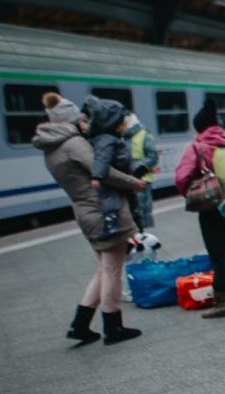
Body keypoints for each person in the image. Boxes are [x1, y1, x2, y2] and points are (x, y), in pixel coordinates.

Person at [33, 93, 144, 345]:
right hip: (103, 211)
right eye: (80, 119)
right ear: (69, 120)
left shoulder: (51, 146)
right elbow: (103, 170)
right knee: (113, 270)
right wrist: (134, 182)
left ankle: (80, 324)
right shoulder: (74, 144)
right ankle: (113, 327)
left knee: (104, 269)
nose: (85, 123)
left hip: (84, 211)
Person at [174, 99, 225, 319]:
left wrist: (192, 192)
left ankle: (223, 303)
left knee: (219, 256)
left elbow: (181, 177)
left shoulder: (197, 147)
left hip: (211, 208)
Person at [83, 95, 140, 240]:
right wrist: (97, 176)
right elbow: (102, 159)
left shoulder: (111, 138)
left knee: (128, 200)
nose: (125, 127)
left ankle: (132, 220)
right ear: (112, 124)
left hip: (123, 175)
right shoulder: (106, 140)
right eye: (122, 124)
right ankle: (110, 223)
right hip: (111, 178)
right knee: (110, 198)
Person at [124, 112, 158, 229]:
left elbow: (153, 156)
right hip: (127, 178)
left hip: (142, 178)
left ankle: (143, 235)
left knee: (142, 209)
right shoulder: (122, 135)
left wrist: (136, 168)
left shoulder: (144, 134)